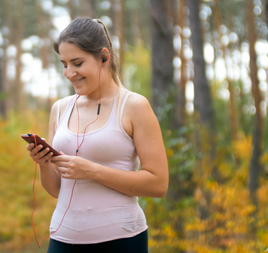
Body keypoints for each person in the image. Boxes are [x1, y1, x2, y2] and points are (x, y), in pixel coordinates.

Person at [26, 17, 169, 253]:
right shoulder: (60, 109)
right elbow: (56, 190)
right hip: (63, 239)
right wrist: (43, 163)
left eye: (77, 63)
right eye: (64, 64)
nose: (69, 73)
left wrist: (91, 170)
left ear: (104, 57)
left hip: (122, 241)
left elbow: (158, 184)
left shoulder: (134, 106)